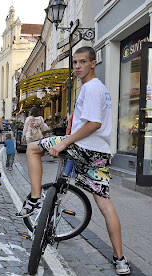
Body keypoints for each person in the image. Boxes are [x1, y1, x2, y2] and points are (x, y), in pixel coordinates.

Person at [17, 47, 130, 275]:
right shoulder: (102, 89)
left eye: (82, 62)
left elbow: (93, 124)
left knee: (32, 148)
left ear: (93, 63)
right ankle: (120, 259)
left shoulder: (90, 88)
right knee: (104, 203)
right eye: (75, 62)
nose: (77, 66)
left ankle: (36, 199)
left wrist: (64, 143)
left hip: (83, 147)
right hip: (99, 152)